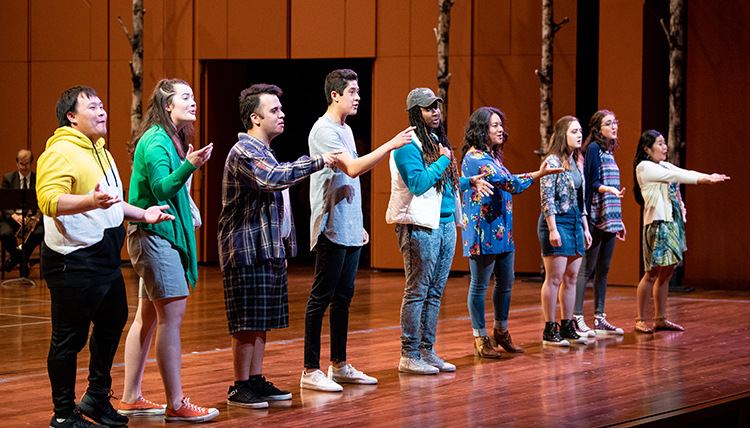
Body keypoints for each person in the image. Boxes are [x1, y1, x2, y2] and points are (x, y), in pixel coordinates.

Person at [37, 86, 174, 428]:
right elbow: (48, 201)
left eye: (102, 106)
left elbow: (111, 201)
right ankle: (63, 414)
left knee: (113, 320)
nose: (102, 112)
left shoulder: (101, 151)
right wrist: (88, 202)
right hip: (73, 261)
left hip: (105, 259)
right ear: (72, 116)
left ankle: (96, 397)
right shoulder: (59, 152)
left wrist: (144, 214)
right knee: (69, 339)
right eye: (93, 107)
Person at [220, 83, 341, 407]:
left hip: (267, 249)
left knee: (261, 319)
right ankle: (239, 385)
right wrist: (318, 161)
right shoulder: (244, 152)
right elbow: (272, 178)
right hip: (246, 249)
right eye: (274, 110)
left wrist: (283, 248)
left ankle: (255, 379)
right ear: (255, 118)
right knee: (246, 321)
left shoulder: (265, 151)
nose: (282, 114)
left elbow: (279, 205)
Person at [302, 69, 413, 391]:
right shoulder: (323, 131)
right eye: (352, 91)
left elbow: (350, 179)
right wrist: (391, 144)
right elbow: (352, 168)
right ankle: (310, 369)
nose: (357, 97)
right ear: (335, 95)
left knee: (344, 298)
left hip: (349, 225)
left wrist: (358, 223)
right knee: (320, 298)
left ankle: (339, 364)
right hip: (330, 227)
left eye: (358, 91)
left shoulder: (345, 130)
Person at [119, 79, 218, 423]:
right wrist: (190, 165)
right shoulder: (157, 139)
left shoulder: (174, 138)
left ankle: (131, 396)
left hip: (159, 234)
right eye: (186, 97)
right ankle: (176, 403)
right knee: (170, 318)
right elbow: (161, 188)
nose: (193, 102)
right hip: (154, 235)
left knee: (147, 316)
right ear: (167, 105)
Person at [386, 89, 493, 373]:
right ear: (414, 113)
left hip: (445, 224)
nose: (435, 113)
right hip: (420, 225)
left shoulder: (435, 141)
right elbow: (419, 183)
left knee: (435, 292)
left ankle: (426, 350)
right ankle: (409, 354)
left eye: (437, 107)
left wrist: (468, 181)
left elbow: (443, 183)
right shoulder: (407, 145)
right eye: (427, 109)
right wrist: (445, 159)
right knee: (418, 290)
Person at [460, 107, 563, 358]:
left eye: (500, 125)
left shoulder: (494, 156)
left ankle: (501, 331)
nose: (500, 130)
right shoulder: (475, 157)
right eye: (494, 125)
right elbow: (509, 184)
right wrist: (539, 173)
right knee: (480, 285)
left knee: (506, 283)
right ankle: (480, 336)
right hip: (483, 229)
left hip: (502, 230)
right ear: (481, 129)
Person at [633, 130, 729, 333]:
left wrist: (707, 176)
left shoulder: (664, 165)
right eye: (659, 144)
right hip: (658, 224)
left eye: (664, 143)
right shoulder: (644, 167)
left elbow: (685, 171)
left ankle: (660, 318)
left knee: (667, 272)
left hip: (673, 223)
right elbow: (676, 176)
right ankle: (641, 319)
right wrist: (703, 180)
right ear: (647, 149)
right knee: (652, 273)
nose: (664, 147)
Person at [537, 116, 592, 347]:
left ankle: (568, 325)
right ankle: (550, 329)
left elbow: (581, 200)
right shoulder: (552, 160)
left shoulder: (576, 161)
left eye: (580, 131)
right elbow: (547, 198)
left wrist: (586, 227)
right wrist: (553, 229)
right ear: (562, 135)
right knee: (555, 278)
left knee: (571, 278)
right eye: (574, 131)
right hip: (556, 221)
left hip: (575, 223)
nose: (579, 135)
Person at [573, 110, 627, 337]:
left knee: (603, 270)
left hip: (612, 217)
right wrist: (608, 190)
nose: (614, 126)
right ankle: (576, 318)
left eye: (615, 122)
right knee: (587, 269)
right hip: (596, 215)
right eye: (608, 123)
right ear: (597, 128)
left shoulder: (609, 151)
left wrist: (620, 219)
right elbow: (592, 182)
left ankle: (600, 317)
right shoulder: (594, 148)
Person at [1, 149, 44, 278]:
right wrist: (14, 216)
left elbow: (43, 203)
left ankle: (16, 259)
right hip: (12, 219)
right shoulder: (8, 178)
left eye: (27, 164)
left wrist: (36, 219)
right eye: (21, 164)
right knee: (4, 233)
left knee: (39, 233)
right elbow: (3, 202)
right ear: (17, 163)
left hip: (32, 219)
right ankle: (20, 260)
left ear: (31, 163)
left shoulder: (38, 179)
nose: (24, 167)